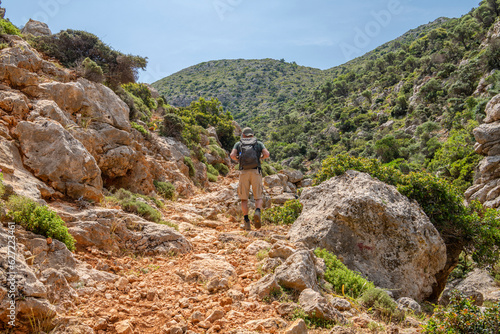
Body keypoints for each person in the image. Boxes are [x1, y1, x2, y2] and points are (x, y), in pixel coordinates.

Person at [230, 127, 270, 230]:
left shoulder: (238, 144)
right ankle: (257, 211)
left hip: (244, 172)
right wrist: (259, 158)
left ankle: (246, 221)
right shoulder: (258, 143)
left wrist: (239, 159)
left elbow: (232, 155)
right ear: (252, 134)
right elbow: (267, 154)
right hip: (256, 171)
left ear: (243, 135)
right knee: (258, 197)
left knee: (244, 198)